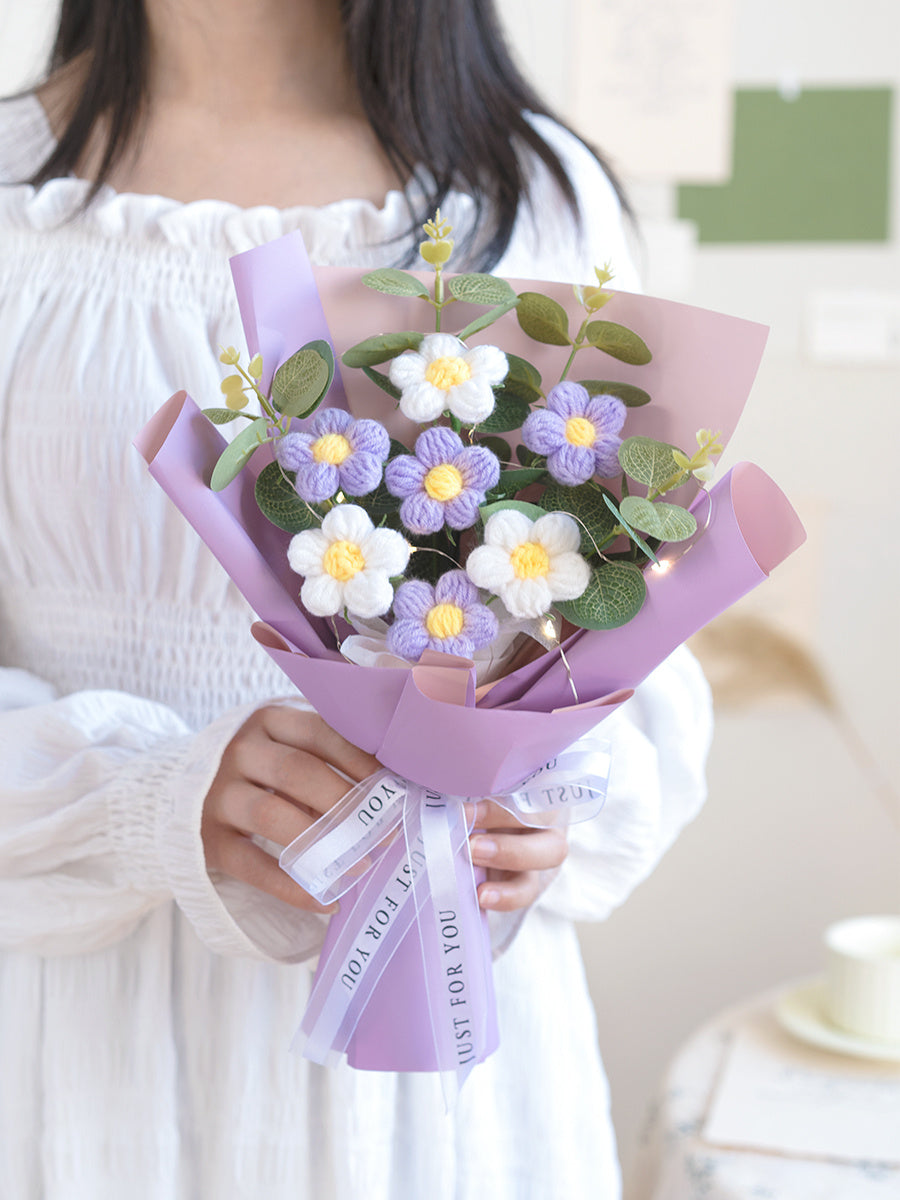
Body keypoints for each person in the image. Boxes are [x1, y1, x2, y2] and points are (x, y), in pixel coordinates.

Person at [0, 2, 712, 1197]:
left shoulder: (534, 198)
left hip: (438, 1089)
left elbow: (635, 660)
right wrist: (151, 800)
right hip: (77, 1047)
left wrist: (542, 805)